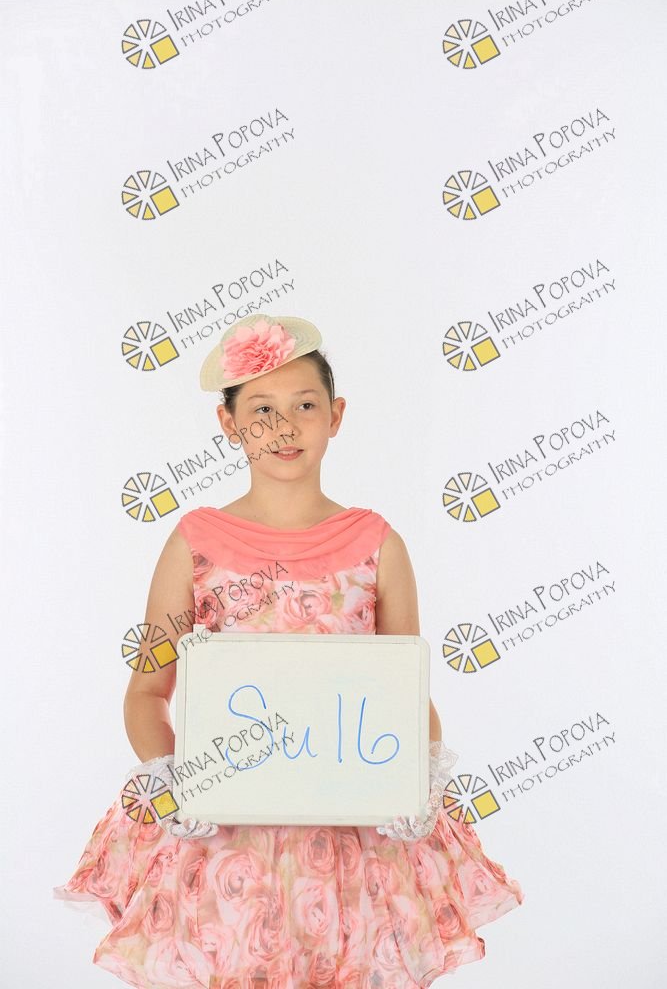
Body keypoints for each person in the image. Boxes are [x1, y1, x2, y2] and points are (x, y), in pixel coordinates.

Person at [54, 313, 524, 988]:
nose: (283, 427)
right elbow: (147, 690)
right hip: (225, 834)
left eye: (304, 406)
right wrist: (173, 784)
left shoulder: (377, 543)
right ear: (229, 424)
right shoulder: (194, 542)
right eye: (261, 410)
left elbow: (405, 693)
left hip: (348, 833)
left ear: (335, 416)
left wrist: (416, 777)